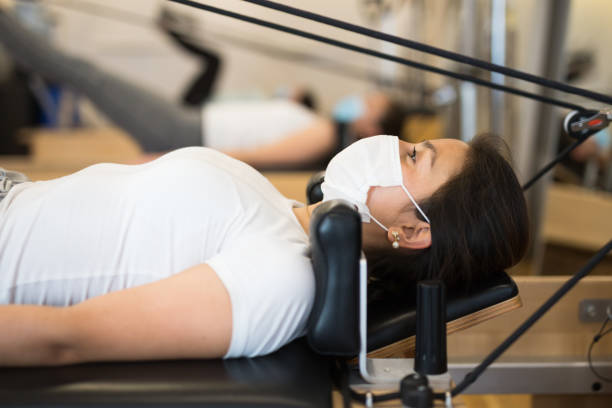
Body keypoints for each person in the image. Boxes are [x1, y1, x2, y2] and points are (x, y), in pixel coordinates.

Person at [0, 5, 529, 366]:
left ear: (413, 231)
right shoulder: (285, 215)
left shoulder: (280, 280)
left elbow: (64, 340)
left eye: (416, 155)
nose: (392, 143)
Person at [0, 6, 407, 170]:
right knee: (81, 73)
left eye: (370, 103)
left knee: (82, 73)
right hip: (188, 123)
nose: (361, 101)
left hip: (184, 132)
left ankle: (8, 25)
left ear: (372, 128)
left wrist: (173, 158)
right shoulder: (316, 122)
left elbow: (251, 157)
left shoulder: (323, 133)